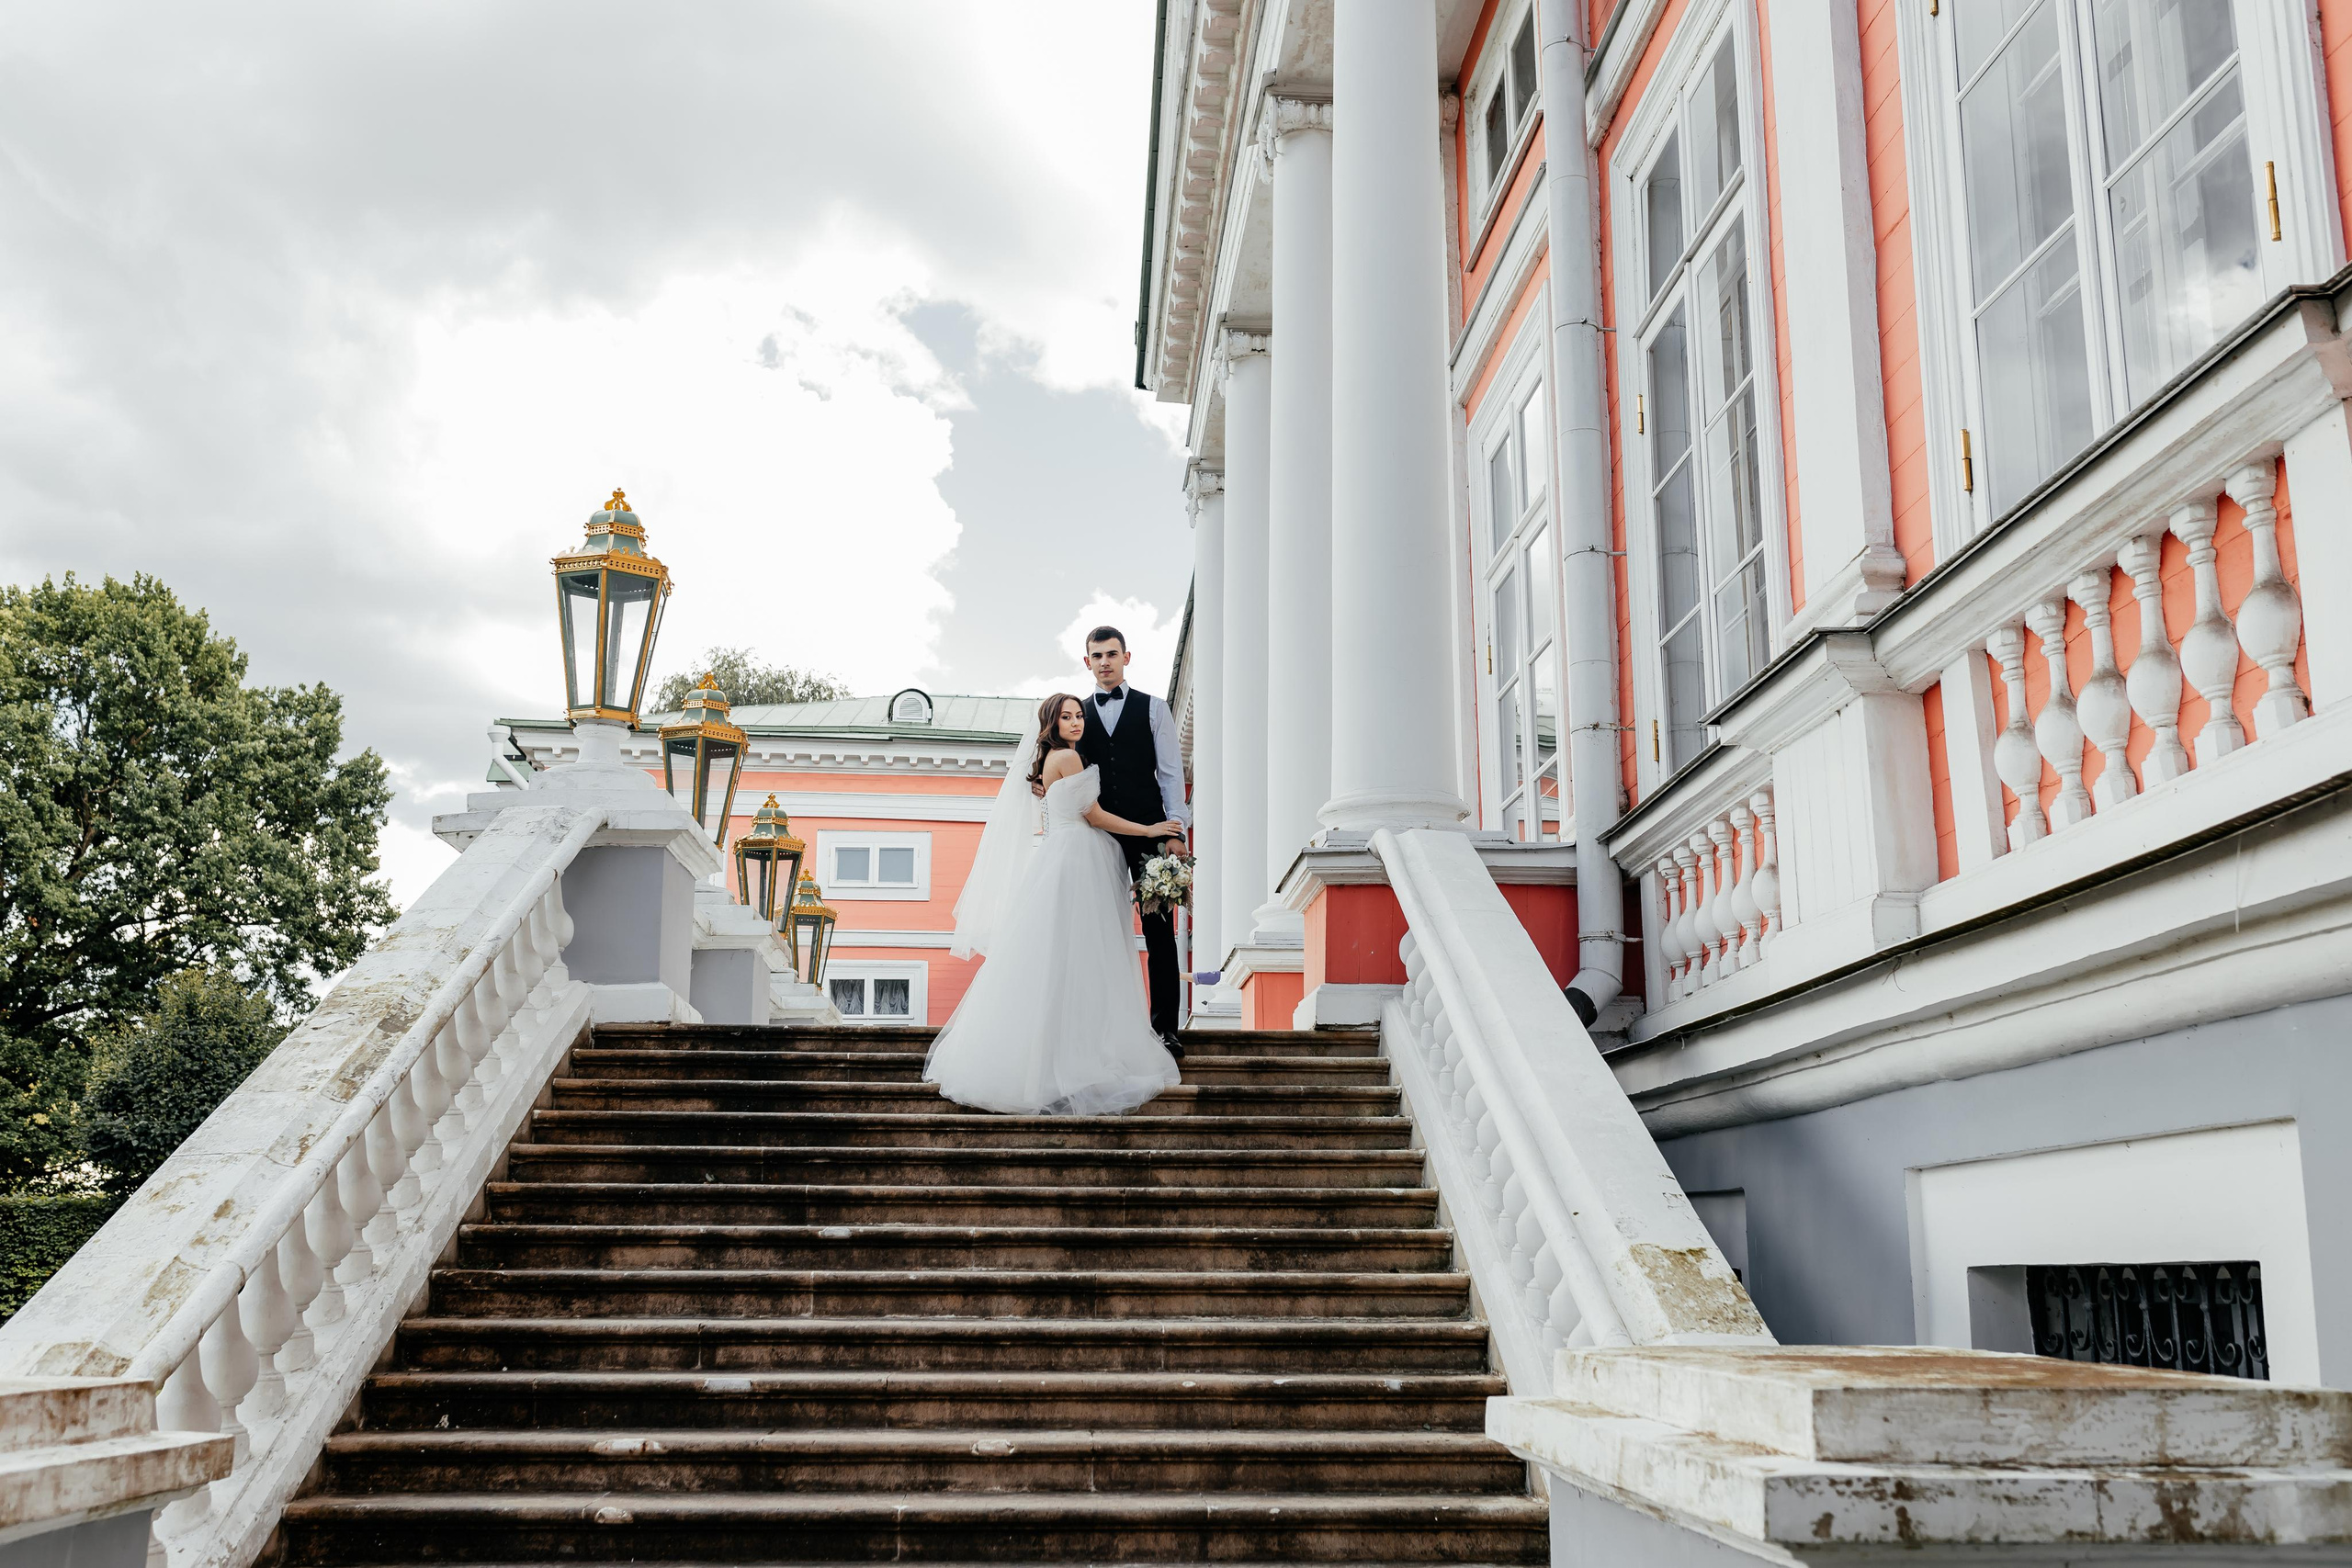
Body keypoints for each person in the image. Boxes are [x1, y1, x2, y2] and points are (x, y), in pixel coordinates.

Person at [924, 693, 1185, 1115]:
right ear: (1053, 722)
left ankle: (1056, 1053)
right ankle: (1079, 1054)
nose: (1077, 722)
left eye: (1079, 715)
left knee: (1060, 957)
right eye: (1067, 717)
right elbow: (1096, 816)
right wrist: (1151, 827)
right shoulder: (1068, 759)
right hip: (1079, 857)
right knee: (1084, 955)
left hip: (1064, 855)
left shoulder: (1053, 760)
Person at [1069, 626, 1190, 1052]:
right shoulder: (1076, 716)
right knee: (1093, 928)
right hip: (1097, 832)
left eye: (1112, 654)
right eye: (1097, 655)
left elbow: (1171, 774)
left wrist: (1176, 829)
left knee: (1160, 932)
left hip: (1152, 833)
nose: (1105, 662)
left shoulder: (1155, 709)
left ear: (1126, 657)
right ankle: (1092, 1029)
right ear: (1087, 662)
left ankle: (1165, 1029)